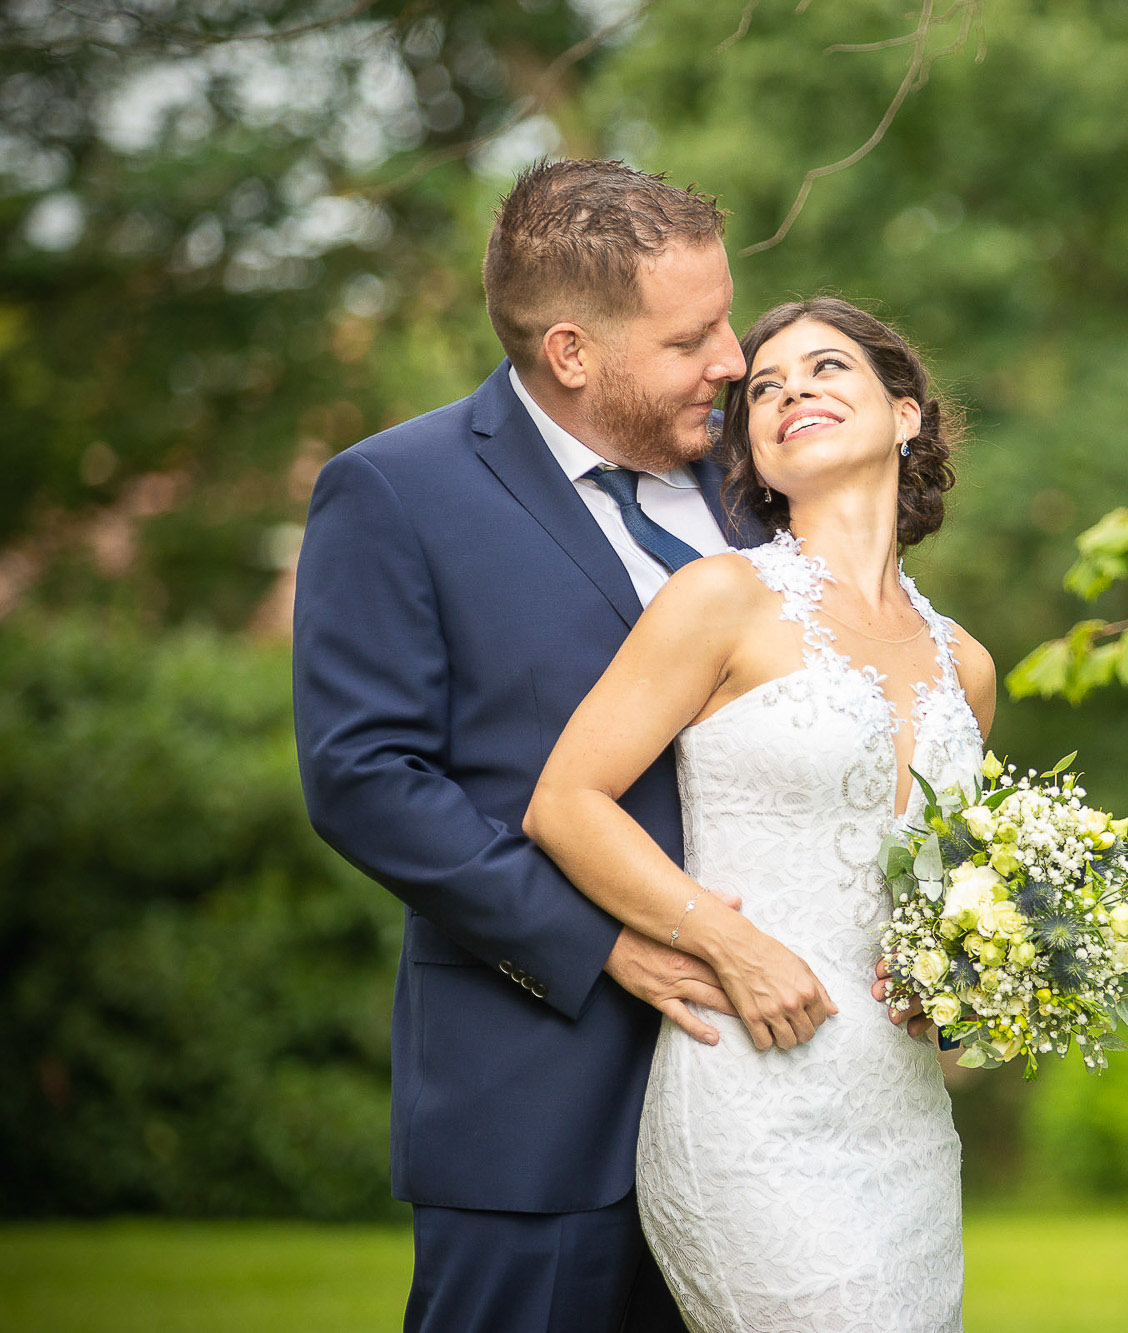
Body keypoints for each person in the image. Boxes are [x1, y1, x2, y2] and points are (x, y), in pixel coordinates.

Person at [293, 159, 799, 1331]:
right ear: (571, 352)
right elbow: (365, 777)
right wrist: (596, 940)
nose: (734, 358)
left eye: (725, 317)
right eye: (689, 339)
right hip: (536, 1094)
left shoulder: (754, 484)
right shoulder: (394, 493)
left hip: (764, 1103)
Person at [525, 296, 996, 1331]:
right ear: (757, 451)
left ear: (907, 413)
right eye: (767, 390)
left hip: (904, 1112)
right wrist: (722, 939)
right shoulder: (719, 597)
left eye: (827, 369)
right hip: (751, 1092)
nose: (791, 395)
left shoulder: (966, 663)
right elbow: (564, 802)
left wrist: (963, 983)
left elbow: (946, 888)